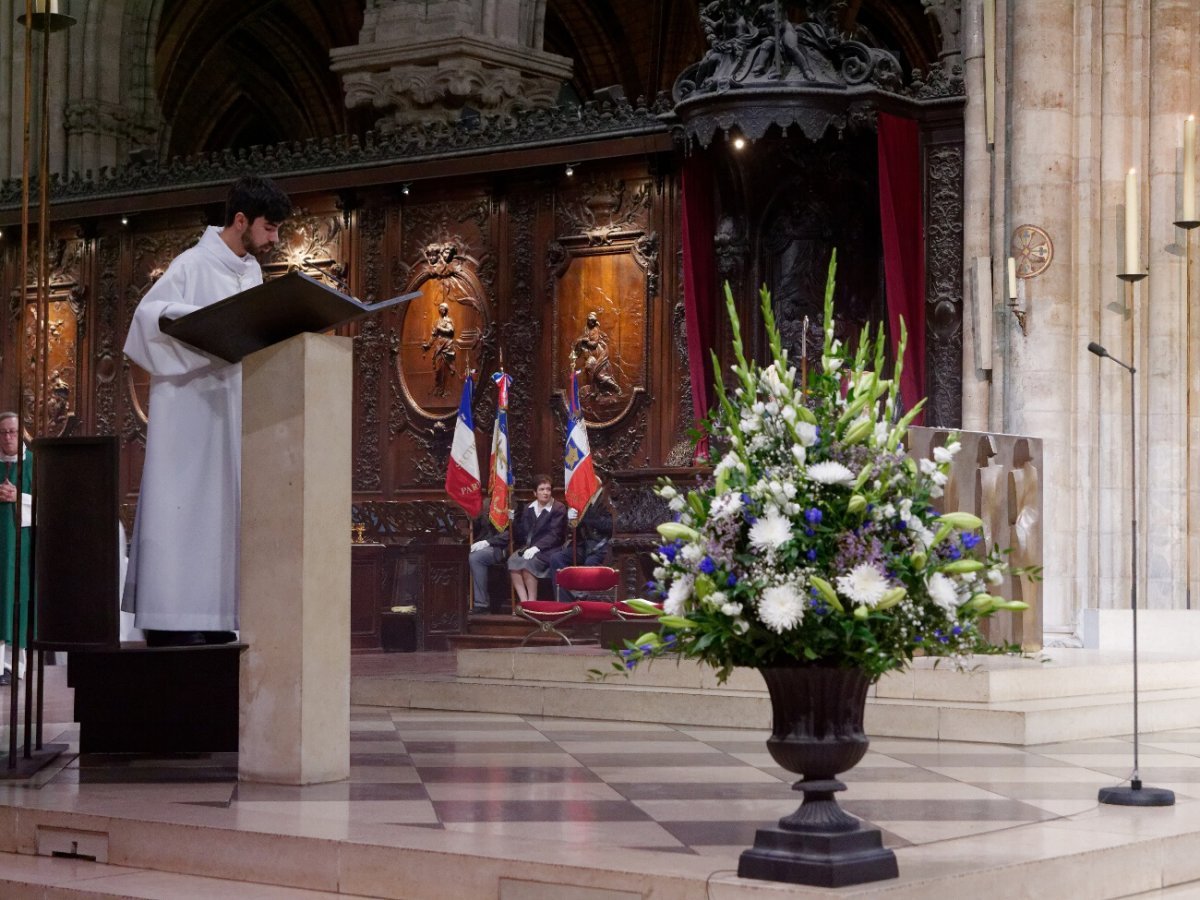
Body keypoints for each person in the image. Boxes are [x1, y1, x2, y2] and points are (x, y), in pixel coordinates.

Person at [122, 175, 291, 648]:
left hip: (236, 407)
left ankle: (217, 614)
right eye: (269, 228)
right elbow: (147, 320)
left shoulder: (251, 273)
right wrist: (204, 331)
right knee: (186, 507)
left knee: (225, 512)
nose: (274, 239)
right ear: (241, 220)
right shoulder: (191, 265)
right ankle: (171, 615)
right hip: (190, 410)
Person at [0, 413, 30, 684]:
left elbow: (49, 500)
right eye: (3, 432)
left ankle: (13, 665)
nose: (8, 437)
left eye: (12, 431)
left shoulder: (33, 462)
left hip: (20, 547)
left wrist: (18, 496)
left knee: (14, 599)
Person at [506, 476, 567, 603]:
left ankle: (532, 601)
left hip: (549, 549)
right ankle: (524, 602)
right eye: (542, 489)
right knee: (513, 560)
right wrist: (513, 520)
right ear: (535, 493)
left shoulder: (558, 508)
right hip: (529, 548)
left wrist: (536, 547)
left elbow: (554, 535)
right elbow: (522, 532)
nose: (546, 493)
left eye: (548, 489)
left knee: (529, 563)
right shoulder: (529, 508)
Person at [546, 489, 614, 600]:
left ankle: (586, 602)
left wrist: (586, 518)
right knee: (556, 558)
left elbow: (610, 525)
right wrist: (571, 520)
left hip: (601, 545)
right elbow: (573, 530)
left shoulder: (607, 498)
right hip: (583, 544)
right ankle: (566, 603)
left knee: (590, 562)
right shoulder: (581, 499)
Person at [467, 497, 510, 614]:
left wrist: (489, 542)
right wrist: (470, 515)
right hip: (480, 543)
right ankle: (462, 601)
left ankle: (481, 603)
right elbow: (477, 528)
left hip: (499, 546)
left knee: (476, 557)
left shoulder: (513, 503)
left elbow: (512, 532)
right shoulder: (486, 502)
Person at [422, 301, 457, 397]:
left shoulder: (448, 320)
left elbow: (451, 331)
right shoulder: (437, 322)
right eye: (440, 308)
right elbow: (433, 335)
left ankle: (445, 390)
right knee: (438, 369)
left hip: (446, 345)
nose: (440, 309)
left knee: (445, 369)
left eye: (442, 308)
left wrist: (440, 329)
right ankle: (438, 387)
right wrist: (428, 345)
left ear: (445, 310)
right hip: (439, 345)